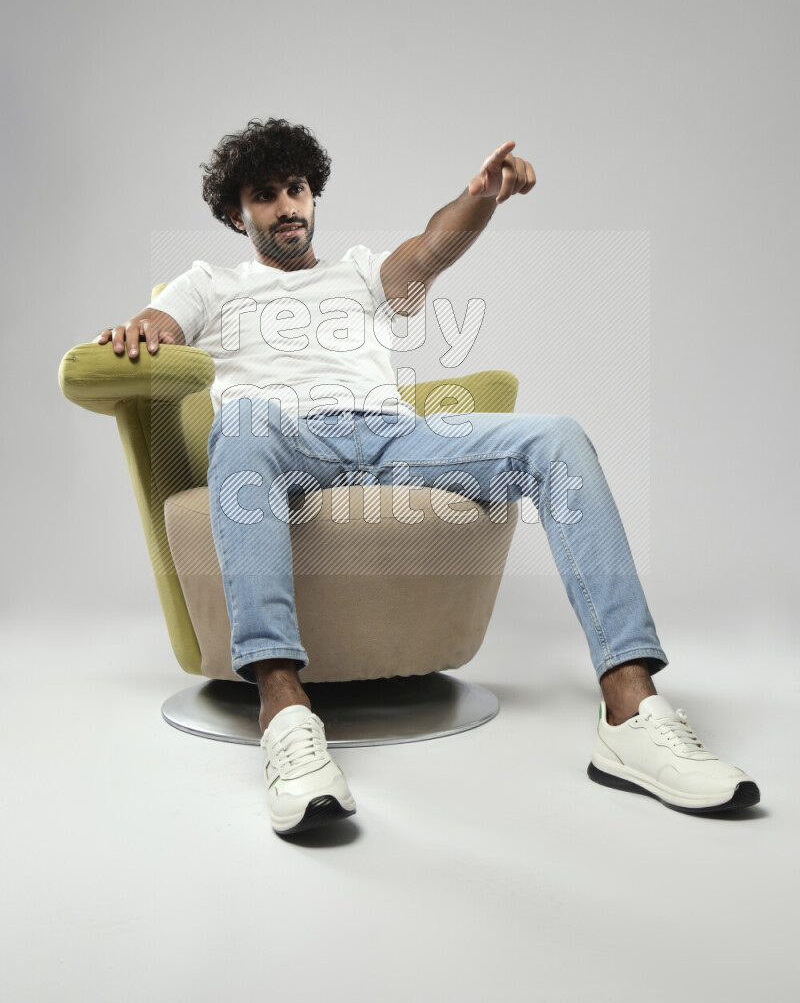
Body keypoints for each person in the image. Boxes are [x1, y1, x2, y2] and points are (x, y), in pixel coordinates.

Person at [94, 117, 760, 836]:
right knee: (246, 419)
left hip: (390, 435)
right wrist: (142, 331)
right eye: (265, 196)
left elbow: (432, 248)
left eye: (297, 190)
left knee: (556, 436)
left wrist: (480, 197)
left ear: (313, 197)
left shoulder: (358, 273)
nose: (288, 206)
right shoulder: (211, 284)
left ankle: (631, 709)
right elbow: (160, 322)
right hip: (280, 438)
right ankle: (285, 712)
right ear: (237, 213)